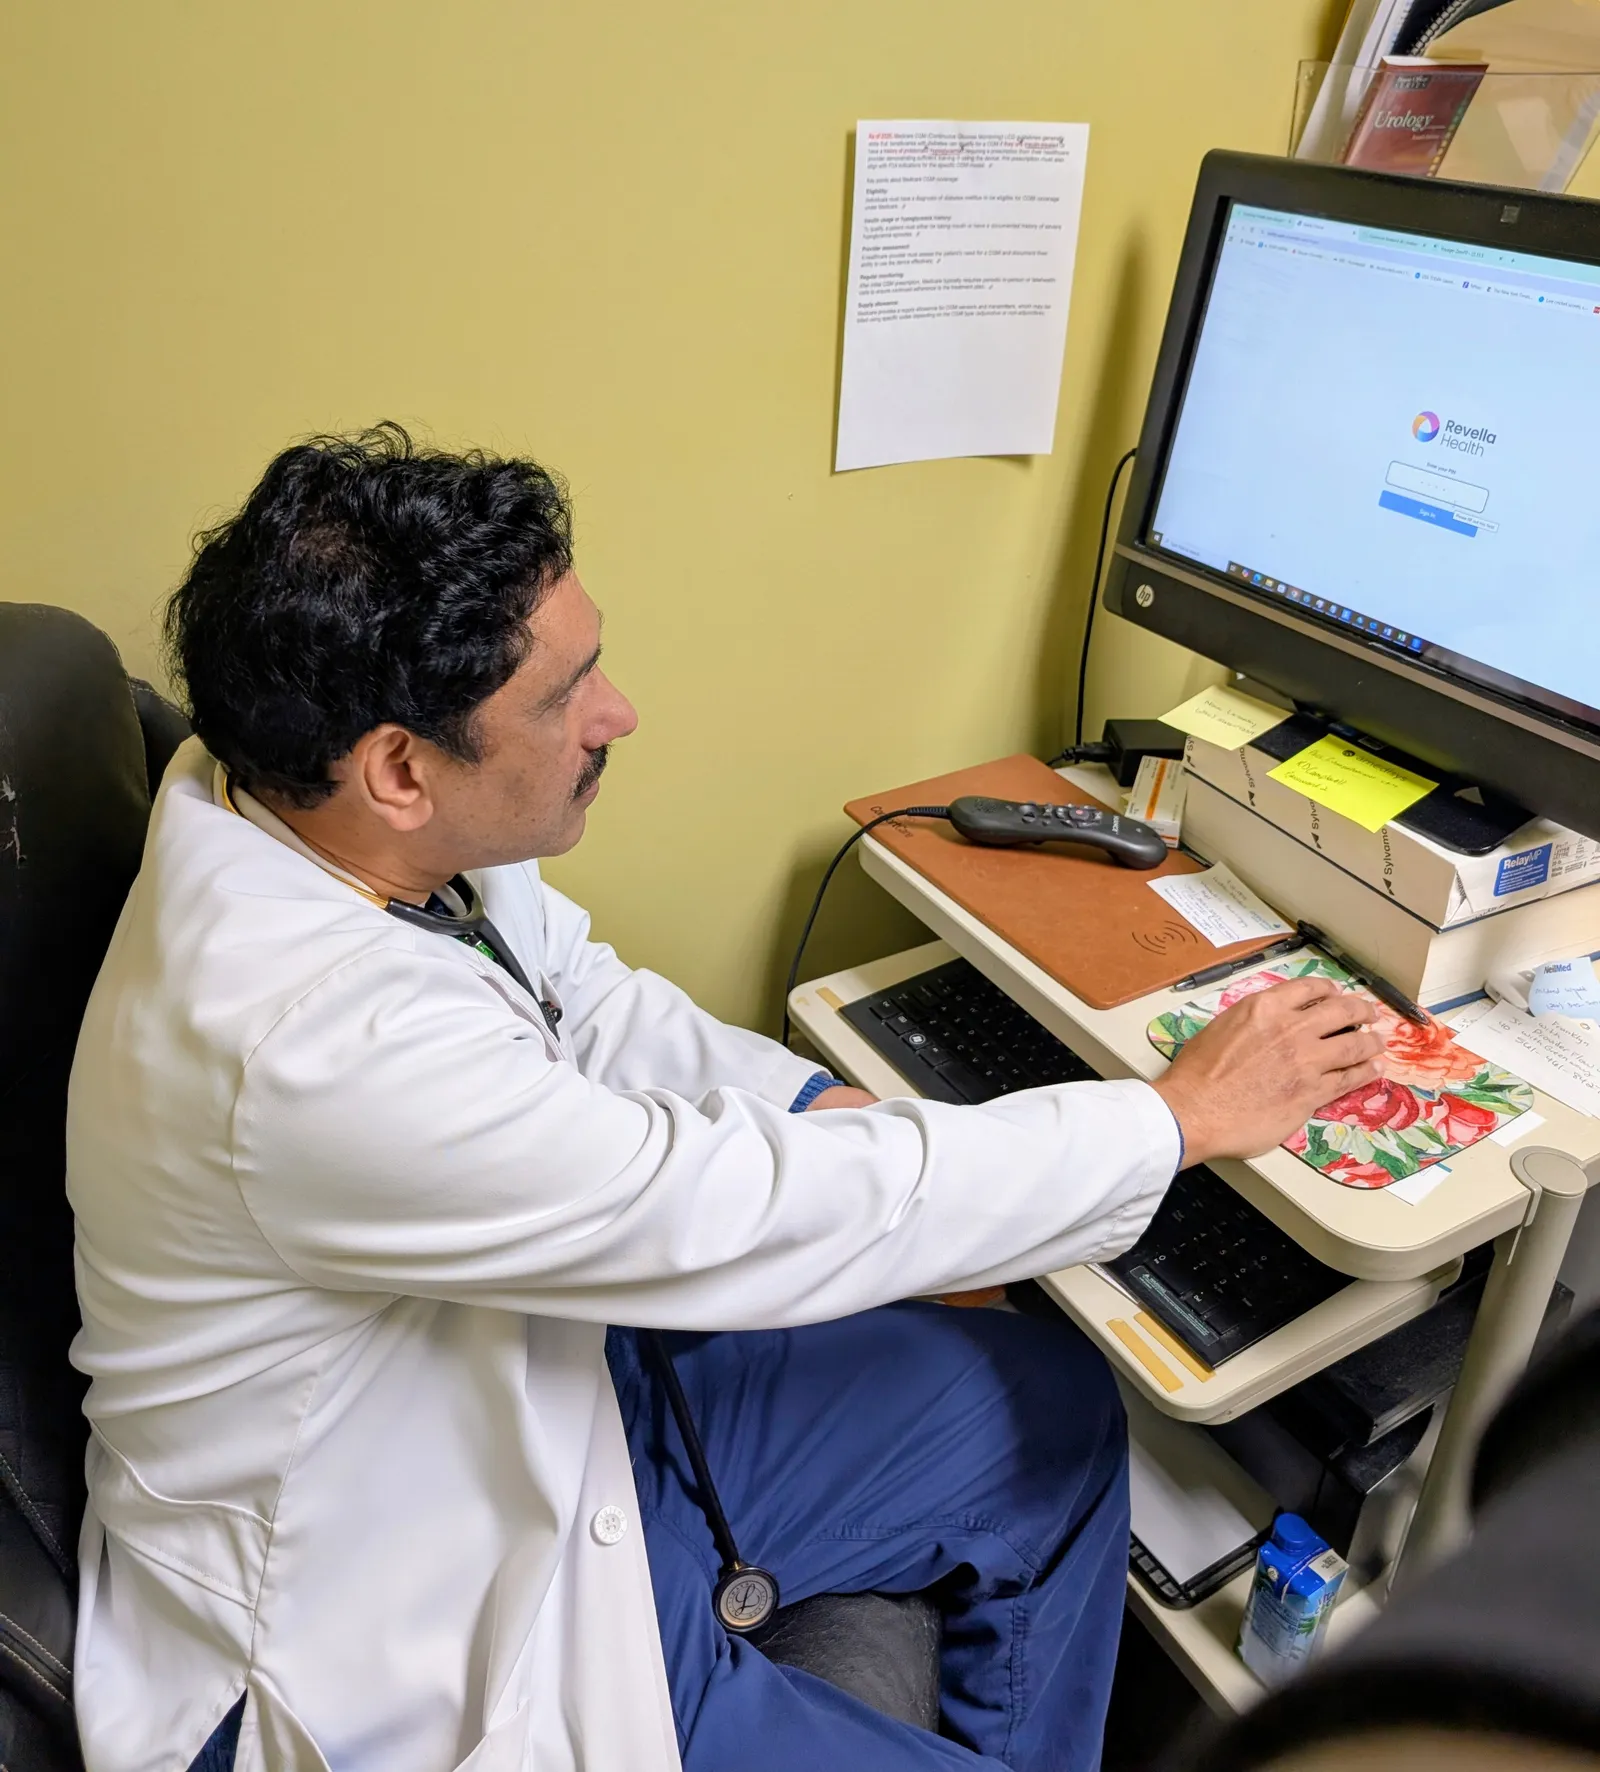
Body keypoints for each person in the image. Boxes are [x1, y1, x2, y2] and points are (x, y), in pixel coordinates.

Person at [66, 425, 1383, 1772]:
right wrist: (1176, 1120)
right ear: (401, 767)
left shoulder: (309, 808)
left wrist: (835, 1109)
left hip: (542, 1401)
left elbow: (591, 1002)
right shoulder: (308, 1047)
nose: (618, 713)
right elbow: (717, 1213)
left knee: (1041, 1406)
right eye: (567, 694)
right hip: (380, 1642)